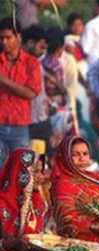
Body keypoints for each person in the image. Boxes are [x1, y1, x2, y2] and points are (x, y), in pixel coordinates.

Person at [0, 18, 41, 165]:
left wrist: (3, 80)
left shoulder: (31, 63)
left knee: (22, 169)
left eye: (8, 37)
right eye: (1, 38)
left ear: (18, 37)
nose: (4, 42)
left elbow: (31, 93)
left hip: (20, 125)